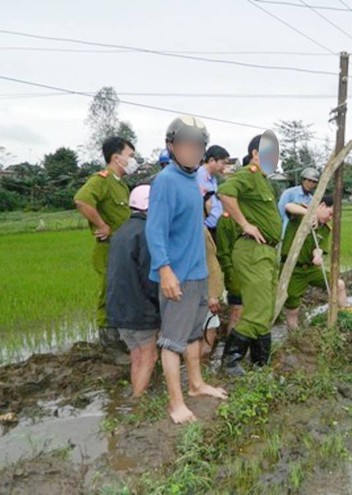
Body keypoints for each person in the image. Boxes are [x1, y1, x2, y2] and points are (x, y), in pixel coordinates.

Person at [146, 115, 228, 424]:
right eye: (186, 145)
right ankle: (175, 402)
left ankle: (195, 385)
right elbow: (154, 230)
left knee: (194, 335)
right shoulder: (166, 180)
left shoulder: (194, 179)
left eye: (198, 146)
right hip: (177, 275)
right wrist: (165, 270)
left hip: (197, 272)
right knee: (172, 340)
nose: (192, 151)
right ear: (171, 146)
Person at [218, 134, 282, 376]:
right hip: (253, 250)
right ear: (255, 154)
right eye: (269, 154)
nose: (274, 160)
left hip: (265, 252)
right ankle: (230, 362)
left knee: (265, 310)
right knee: (256, 311)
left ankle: (259, 363)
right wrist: (245, 224)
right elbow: (225, 192)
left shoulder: (263, 181)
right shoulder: (249, 174)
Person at [74, 136, 137, 349]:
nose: (133, 160)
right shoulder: (103, 179)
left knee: (122, 292)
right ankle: (109, 343)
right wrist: (102, 225)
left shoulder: (121, 185)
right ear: (116, 157)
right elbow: (82, 200)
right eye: (130, 156)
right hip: (109, 248)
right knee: (109, 292)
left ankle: (122, 338)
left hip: (123, 249)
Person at [106, 184, 159, 397]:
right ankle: (137, 402)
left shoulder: (121, 231)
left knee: (136, 355)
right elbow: (150, 276)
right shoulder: (147, 233)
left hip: (118, 308)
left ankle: (134, 397)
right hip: (139, 308)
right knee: (149, 356)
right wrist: (159, 305)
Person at [281, 195, 351, 330]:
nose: (330, 218)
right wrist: (308, 214)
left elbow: (318, 248)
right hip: (294, 270)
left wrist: (317, 256)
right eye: (330, 213)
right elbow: (288, 206)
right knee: (292, 309)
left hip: (311, 269)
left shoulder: (325, 229)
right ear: (322, 205)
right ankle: (294, 336)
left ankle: (346, 319)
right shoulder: (301, 213)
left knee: (339, 284)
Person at [201, 192, 225, 357]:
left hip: (202, 290)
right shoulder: (198, 230)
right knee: (208, 329)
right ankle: (201, 370)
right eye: (210, 202)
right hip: (204, 291)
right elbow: (208, 263)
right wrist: (212, 294)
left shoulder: (200, 227)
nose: (213, 206)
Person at [196, 145, 230, 240]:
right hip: (205, 229)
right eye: (223, 163)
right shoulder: (199, 177)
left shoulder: (213, 178)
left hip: (215, 228)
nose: (224, 168)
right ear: (211, 161)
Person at [277, 167, 319, 235]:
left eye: (314, 182)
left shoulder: (312, 200)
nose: (311, 184)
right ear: (302, 180)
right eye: (308, 180)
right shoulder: (289, 193)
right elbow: (279, 213)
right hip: (285, 232)